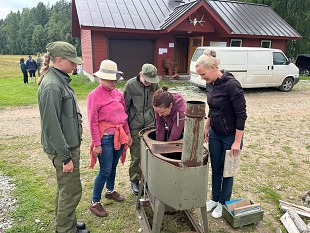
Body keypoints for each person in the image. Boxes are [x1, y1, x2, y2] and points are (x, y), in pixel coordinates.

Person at [37, 41, 89, 233]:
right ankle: (65, 230)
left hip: (67, 146)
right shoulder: (52, 85)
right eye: (72, 62)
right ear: (59, 61)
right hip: (63, 150)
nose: (75, 65)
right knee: (71, 191)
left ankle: (67, 223)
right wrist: (66, 157)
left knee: (66, 189)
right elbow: (52, 126)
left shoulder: (59, 79)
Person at [195, 50, 247, 219]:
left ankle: (223, 202)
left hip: (231, 136)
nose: (202, 78)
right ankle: (214, 198)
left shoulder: (232, 85)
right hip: (215, 133)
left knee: (227, 171)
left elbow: (241, 115)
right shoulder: (210, 84)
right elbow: (212, 108)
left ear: (212, 68)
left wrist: (236, 142)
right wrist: (206, 127)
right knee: (216, 168)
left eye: (203, 74)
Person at [87, 59, 132, 217]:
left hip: (119, 137)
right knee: (105, 170)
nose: (114, 82)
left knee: (113, 167)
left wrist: (127, 134)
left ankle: (110, 191)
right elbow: (92, 122)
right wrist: (97, 144)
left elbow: (123, 116)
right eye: (110, 79)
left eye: (115, 79)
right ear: (101, 78)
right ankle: (95, 202)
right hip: (105, 139)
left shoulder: (118, 94)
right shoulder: (94, 96)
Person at [123, 63, 160, 194]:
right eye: (146, 80)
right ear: (141, 74)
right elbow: (125, 108)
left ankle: (149, 179)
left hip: (150, 124)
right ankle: (134, 180)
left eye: (151, 81)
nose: (148, 83)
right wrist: (126, 129)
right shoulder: (130, 85)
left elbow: (158, 103)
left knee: (152, 153)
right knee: (136, 154)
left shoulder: (155, 85)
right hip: (135, 125)